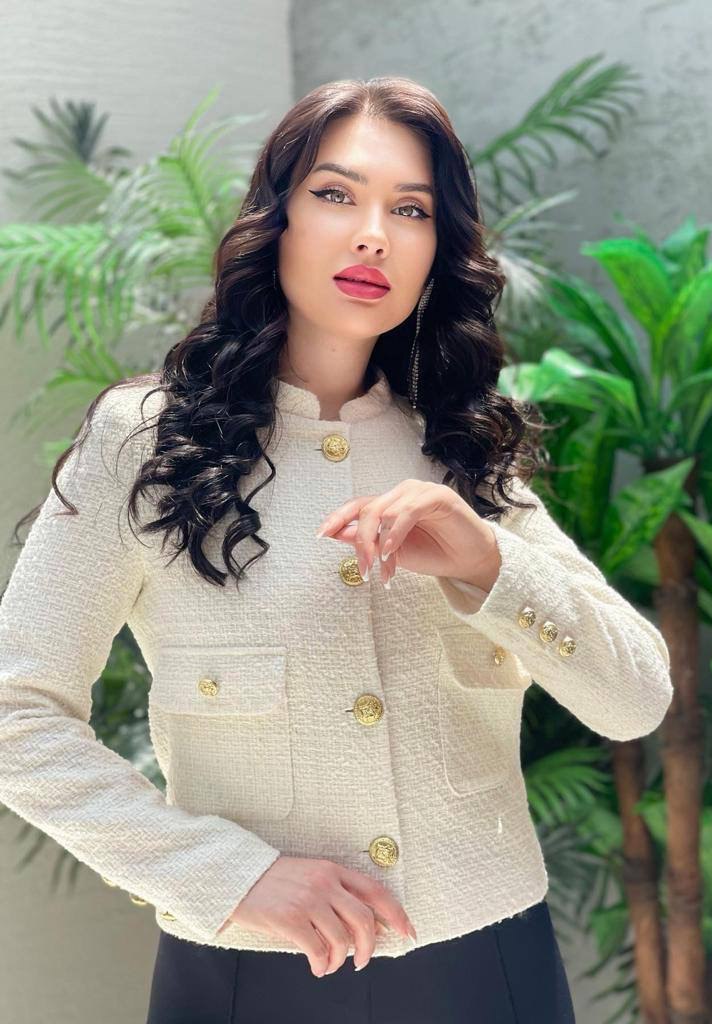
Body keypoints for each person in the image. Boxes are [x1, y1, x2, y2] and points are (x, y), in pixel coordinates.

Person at [0, 76, 673, 1023]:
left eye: (411, 210)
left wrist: (487, 565)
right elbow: (16, 714)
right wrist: (225, 874)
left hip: (491, 966)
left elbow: (636, 699)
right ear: (273, 219)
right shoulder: (144, 443)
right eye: (334, 194)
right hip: (248, 973)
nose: (373, 235)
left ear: (438, 250)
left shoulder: (463, 451)